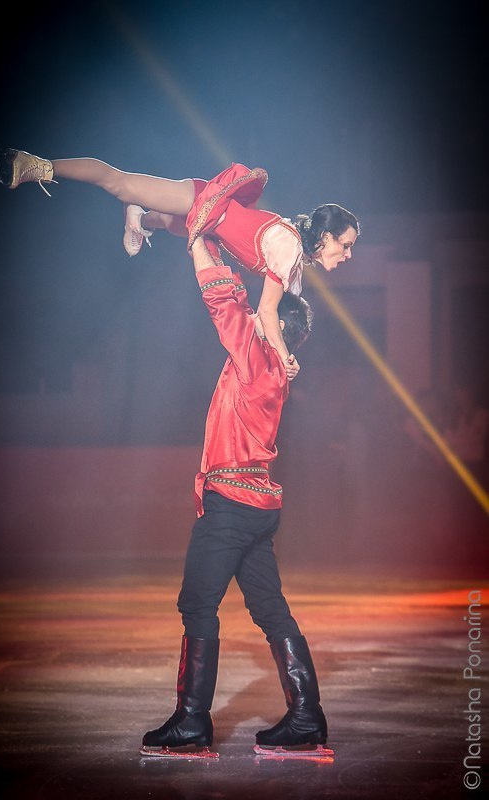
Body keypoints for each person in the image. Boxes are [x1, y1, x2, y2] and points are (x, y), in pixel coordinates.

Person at [137, 233, 328, 758]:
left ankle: (192, 722)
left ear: (276, 329)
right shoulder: (278, 370)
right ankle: (307, 717)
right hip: (258, 508)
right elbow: (263, 300)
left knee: (198, 603)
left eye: (268, 316)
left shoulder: (259, 359)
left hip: (231, 507)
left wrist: (199, 239)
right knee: (270, 609)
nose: (260, 316)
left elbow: (225, 300)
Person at [0, 149, 359, 378]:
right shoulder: (289, 247)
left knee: (172, 224)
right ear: (326, 236)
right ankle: (36, 165)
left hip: (210, 227)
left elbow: (275, 322)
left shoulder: (295, 271)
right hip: (204, 200)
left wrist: (284, 353)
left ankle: (139, 216)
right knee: (120, 183)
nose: (348, 254)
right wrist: (283, 357)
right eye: (345, 245)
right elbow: (267, 312)